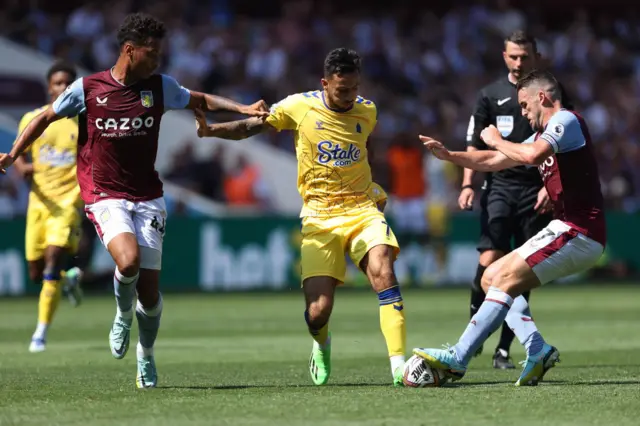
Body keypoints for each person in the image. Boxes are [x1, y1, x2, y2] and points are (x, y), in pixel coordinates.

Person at [0, 13, 268, 388]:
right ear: (130, 50)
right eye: (152, 53)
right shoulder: (88, 88)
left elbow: (201, 98)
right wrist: (14, 153)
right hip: (103, 193)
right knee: (128, 262)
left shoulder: (160, 87)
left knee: (151, 295)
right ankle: (122, 315)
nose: (158, 60)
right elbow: (44, 117)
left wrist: (242, 109)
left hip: (148, 195)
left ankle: (146, 355)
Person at [195, 48, 407, 386]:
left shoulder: (367, 111)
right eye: (341, 90)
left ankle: (400, 366)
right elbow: (252, 127)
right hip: (319, 217)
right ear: (325, 83)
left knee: (384, 272)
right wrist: (212, 131)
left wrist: (377, 192)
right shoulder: (299, 106)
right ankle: (321, 343)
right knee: (318, 311)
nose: (349, 96)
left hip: (361, 209)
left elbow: (364, 153)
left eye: (353, 88)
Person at [415, 69, 605, 386]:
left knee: (501, 277)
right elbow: (493, 161)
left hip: (578, 231)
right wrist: (451, 156)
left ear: (542, 97)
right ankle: (536, 349)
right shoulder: (543, 134)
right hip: (568, 230)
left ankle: (458, 358)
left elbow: (529, 155)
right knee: (491, 278)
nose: (523, 112)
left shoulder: (566, 121)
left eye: (524, 105)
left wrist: (498, 139)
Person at [461, 31, 573, 368]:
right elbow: (475, 146)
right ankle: (475, 325)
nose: (518, 62)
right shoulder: (489, 95)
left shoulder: (551, 93)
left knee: (520, 270)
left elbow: (566, 142)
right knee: (489, 262)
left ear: (535, 56)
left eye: (524, 56)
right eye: (513, 56)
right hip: (498, 188)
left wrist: (550, 186)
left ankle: (504, 349)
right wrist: (468, 183)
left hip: (536, 191)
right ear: (504, 56)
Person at [12, 61, 84, 353]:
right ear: (48, 87)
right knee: (36, 273)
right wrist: (21, 166)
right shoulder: (33, 117)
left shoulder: (82, 121)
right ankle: (70, 280)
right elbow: (20, 150)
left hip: (68, 201)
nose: (61, 88)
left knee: (53, 259)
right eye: (57, 83)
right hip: (39, 202)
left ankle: (40, 333)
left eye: (67, 83)